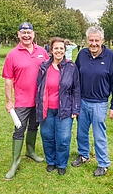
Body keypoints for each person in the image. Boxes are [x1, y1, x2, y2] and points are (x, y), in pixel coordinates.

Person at [2, 22, 49, 180]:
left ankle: (30, 151)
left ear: (33, 34)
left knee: (34, 126)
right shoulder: (12, 55)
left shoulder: (42, 52)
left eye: (29, 32)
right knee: (19, 130)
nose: (26, 35)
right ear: (18, 34)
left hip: (39, 100)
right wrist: (9, 101)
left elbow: (51, 73)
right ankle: (15, 162)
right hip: (21, 101)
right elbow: (8, 81)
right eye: (23, 32)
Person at [71, 26, 113, 177]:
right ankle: (83, 155)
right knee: (81, 132)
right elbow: (75, 78)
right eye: (91, 40)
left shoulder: (110, 56)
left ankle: (103, 163)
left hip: (100, 103)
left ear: (102, 40)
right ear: (87, 41)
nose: (93, 43)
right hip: (83, 101)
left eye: (96, 40)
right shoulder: (82, 54)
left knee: (99, 135)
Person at [36, 37, 80, 175]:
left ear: (65, 50)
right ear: (51, 50)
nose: (59, 51)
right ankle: (51, 161)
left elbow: (76, 89)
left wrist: (76, 108)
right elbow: (39, 87)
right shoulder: (44, 67)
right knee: (47, 136)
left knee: (63, 138)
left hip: (65, 109)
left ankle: (61, 163)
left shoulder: (71, 67)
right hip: (47, 109)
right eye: (56, 48)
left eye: (61, 48)